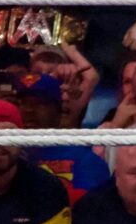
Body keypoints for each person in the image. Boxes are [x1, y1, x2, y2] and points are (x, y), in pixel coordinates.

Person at [14, 72, 110, 203]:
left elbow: (90, 209)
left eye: (40, 103)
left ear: (59, 111)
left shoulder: (84, 158)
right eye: (23, 103)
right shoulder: (7, 157)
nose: (29, 110)